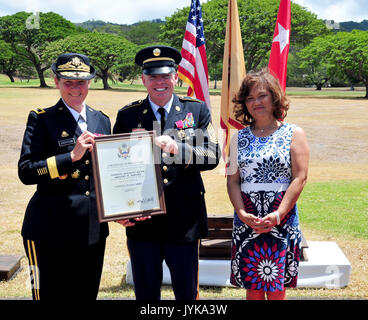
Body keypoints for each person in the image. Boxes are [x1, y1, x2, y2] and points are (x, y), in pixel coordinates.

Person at [113, 45, 220, 300]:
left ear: (175, 77)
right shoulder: (127, 115)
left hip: (184, 220)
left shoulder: (196, 110)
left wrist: (179, 149)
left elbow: (213, 155)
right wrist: (119, 211)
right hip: (142, 221)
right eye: (153, 77)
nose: (159, 82)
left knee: (186, 293)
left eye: (165, 76)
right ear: (143, 80)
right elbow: (114, 168)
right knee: (146, 294)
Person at [18, 53, 110, 300]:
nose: (75, 88)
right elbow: (26, 171)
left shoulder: (102, 120)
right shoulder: (42, 119)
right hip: (49, 229)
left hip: (92, 229)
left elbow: (106, 177)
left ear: (89, 83)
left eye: (81, 82)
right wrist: (70, 157)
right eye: (68, 82)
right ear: (56, 81)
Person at [226, 69, 309, 300]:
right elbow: (232, 180)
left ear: (274, 97)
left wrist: (279, 213)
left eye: (261, 96)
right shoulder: (238, 138)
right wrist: (242, 213)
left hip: (280, 217)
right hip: (247, 218)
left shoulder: (294, 134)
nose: (256, 102)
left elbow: (300, 177)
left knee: (276, 287)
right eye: (250, 98)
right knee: (252, 287)